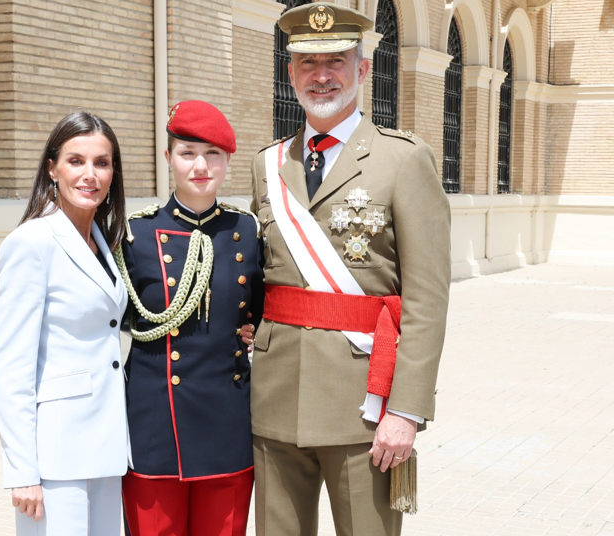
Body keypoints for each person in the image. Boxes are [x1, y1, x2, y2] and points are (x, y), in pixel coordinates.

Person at [249, 4, 451, 536]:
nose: (321, 75)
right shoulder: (267, 164)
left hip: (365, 407)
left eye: (336, 60)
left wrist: (406, 411)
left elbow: (427, 300)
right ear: (290, 73)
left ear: (362, 70)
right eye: (307, 62)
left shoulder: (403, 160)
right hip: (275, 398)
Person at [117, 100, 263, 536]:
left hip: (227, 421)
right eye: (187, 153)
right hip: (153, 423)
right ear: (168, 158)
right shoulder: (133, 234)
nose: (200, 165)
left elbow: (263, 308)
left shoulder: (250, 231)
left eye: (212, 154)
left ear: (227, 160)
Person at [0, 112, 130, 536]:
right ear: (52, 168)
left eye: (102, 163)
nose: (90, 175)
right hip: (55, 454)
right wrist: (22, 471)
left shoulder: (106, 240)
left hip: (106, 445)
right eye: (76, 161)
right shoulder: (31, 243)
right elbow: (11, 366)